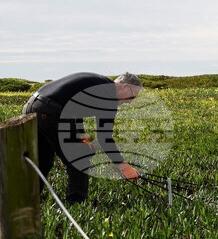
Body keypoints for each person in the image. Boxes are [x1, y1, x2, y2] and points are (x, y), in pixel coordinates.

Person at [22, 72, 143, 204]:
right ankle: (75, 204)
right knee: (79, 157)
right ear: (125, 86)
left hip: (33, 105)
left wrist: (81, 134)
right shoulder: (109, 96)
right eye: (132, 96)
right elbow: (104, 137)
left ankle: (28, 202)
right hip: (50, 110)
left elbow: (75, 106)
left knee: (44, 160)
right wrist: (123, 166)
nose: (130, 101)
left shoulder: (101, 85)